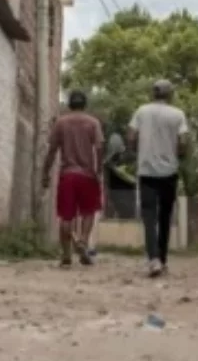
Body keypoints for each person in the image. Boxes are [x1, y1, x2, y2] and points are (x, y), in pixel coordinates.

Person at [127, 79, 189, 277]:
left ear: (153, 93)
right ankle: (162, 259)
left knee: (149, 216)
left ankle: (153, 259)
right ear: (170, 94)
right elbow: (183, 142)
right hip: (169, 172)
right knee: (164, 217)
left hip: (146, 171)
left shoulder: (141, 111)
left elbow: (131, 137)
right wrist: (176, 154)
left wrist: (139, 151)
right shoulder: (178, 114)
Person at [42, 89, 104, 267]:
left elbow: (52, 150)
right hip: (87, 175)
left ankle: (66, 255)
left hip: (67, 174)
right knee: (88, 211)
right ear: (85, 104)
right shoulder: (93, 123)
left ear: (69, 104)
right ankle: (83, 241)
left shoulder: (61, 123)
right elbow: (100, 147)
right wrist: (98, 170)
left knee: (66, 217)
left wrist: (45, 173)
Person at [86, 130, 126, 260]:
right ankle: (88, 245)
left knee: (93, 214)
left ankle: (89, 245)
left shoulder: (104, 156)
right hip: (91, 183)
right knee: (92, 214)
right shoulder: (98, 151)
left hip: (95, 183)